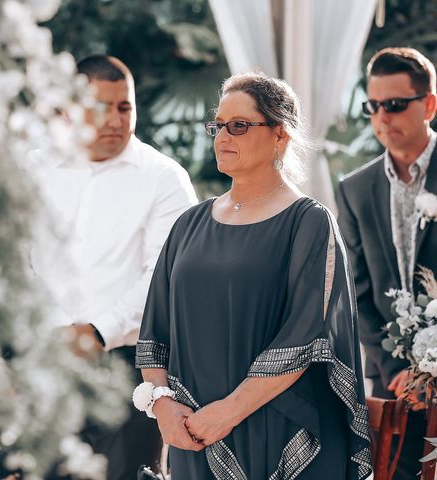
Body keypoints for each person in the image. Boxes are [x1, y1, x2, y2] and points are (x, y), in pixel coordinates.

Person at [133, 71, 372, 479]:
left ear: (281, 135)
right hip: (194, 435)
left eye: (239, 126)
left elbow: (305, 335)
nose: (223, 136)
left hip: (279, 433)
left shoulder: (309, 223)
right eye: (218, 126)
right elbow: (154, 335)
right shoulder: (189, 224)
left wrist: (227, 413)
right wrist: (160, 405)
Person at [29, 55, 198, 480]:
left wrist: (97, 331)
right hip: (38, 359)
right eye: (100, 106)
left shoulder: (164, 179)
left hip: (127, 372)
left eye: (124, 107)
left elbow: (165, 279)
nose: (115, 119)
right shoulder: (33, 169)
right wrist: (47, 330)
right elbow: (12, 259)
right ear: (70, 109)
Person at [336, 47, 437, 479]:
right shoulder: (354, 189)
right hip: (395, 388)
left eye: (395, 105)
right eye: (372, 106)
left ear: (429, 104)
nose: (382, 117)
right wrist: (396, 370)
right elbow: (355, 292)